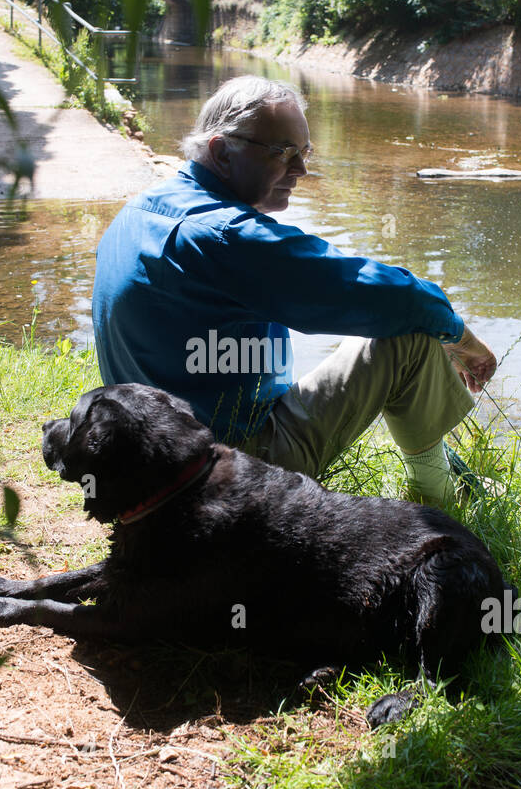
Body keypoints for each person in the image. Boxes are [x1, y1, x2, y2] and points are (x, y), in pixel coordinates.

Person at [91, 75, 497, 507]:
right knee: (412, 330)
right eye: (283, 153)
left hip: (149, 466)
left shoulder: (140, 210)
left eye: (304, 152)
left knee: (389, 317)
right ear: (220, 151)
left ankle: (445, 466)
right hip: (228, 477)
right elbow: (399, 298)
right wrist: (463, 339)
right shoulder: (229, 235)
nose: (301, 170)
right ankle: (440, 497)